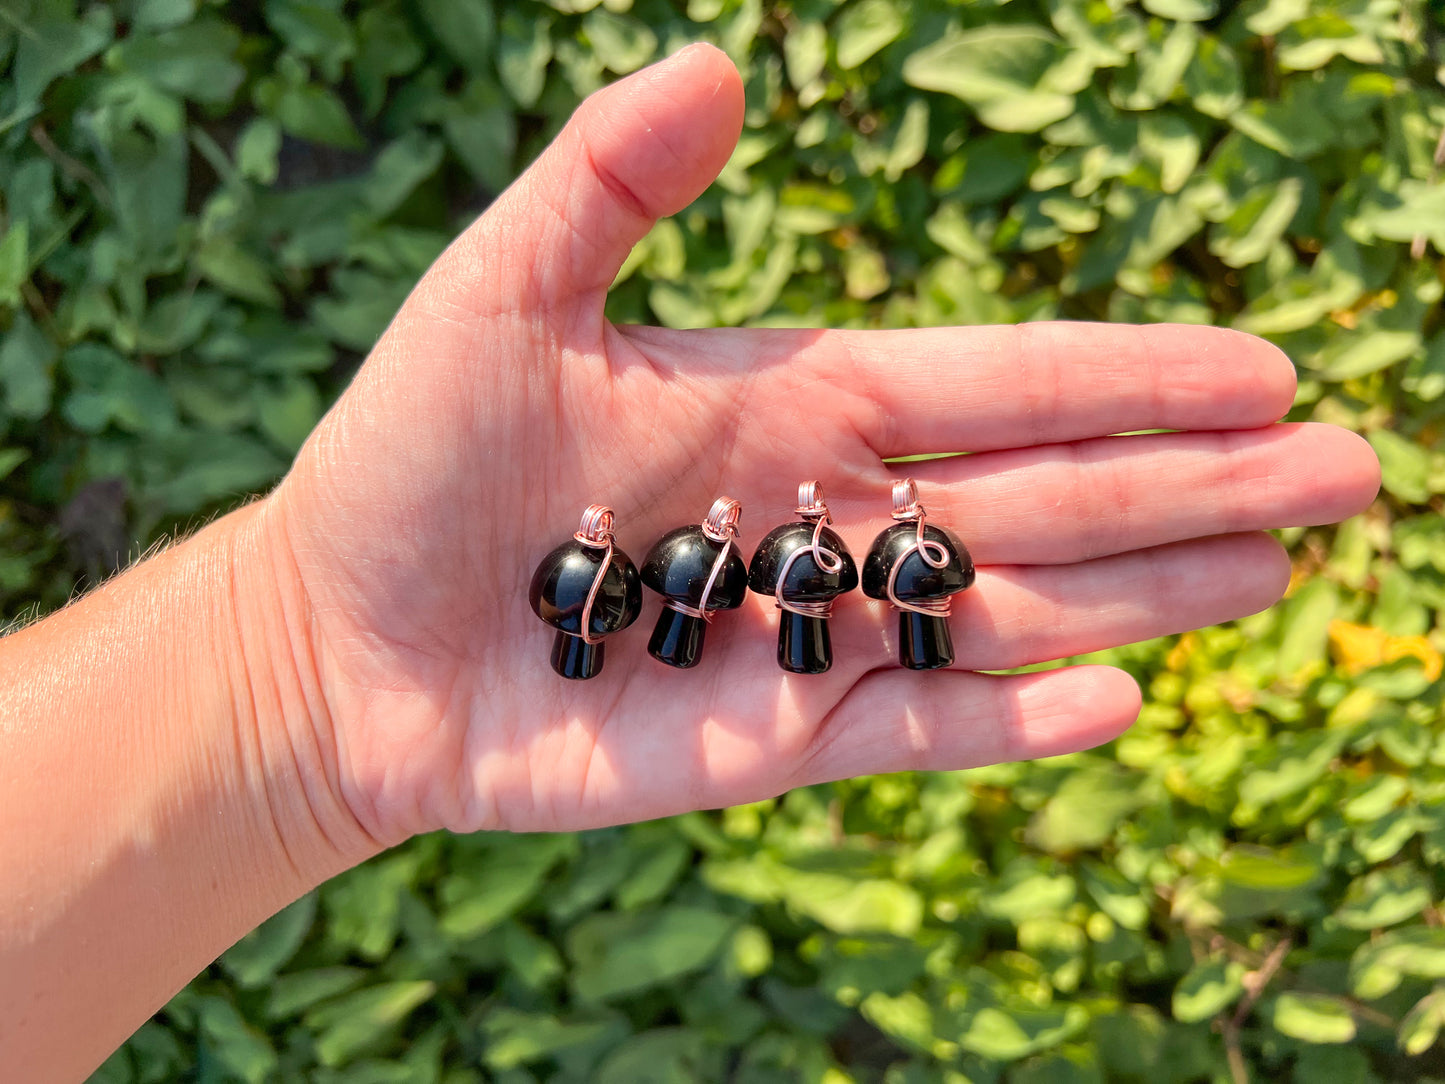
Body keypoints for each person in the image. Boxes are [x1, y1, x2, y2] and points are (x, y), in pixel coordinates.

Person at [0, 44, 1380, 1083]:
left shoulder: (813, 557)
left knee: (817, 629)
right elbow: (660, 583)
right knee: (716, 627)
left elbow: (842, 577)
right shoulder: (710, 560)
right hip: (677, 621)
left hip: (760, 610)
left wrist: (290, 658)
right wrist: (302, 644)